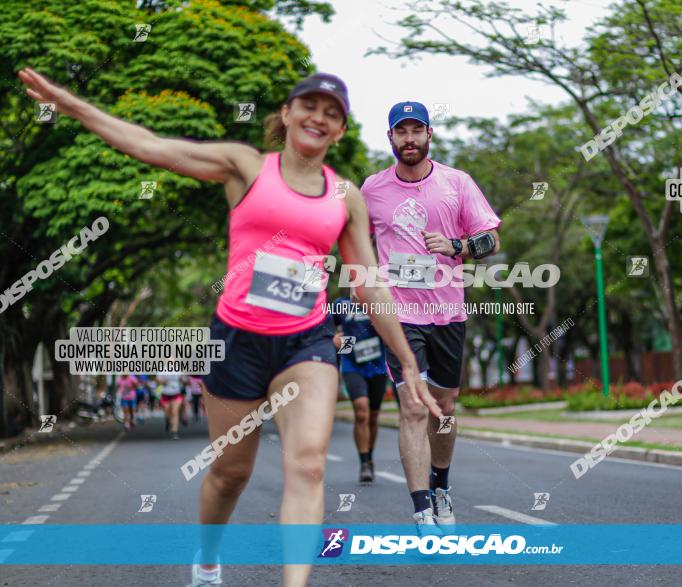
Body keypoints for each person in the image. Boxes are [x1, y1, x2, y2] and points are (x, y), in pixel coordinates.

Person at [17, 68, 440, 587]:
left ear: (340, 131)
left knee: (307, 466)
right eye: (309, 106)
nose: (319, 117)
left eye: (333, 113)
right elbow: (151, 146)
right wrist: (71, 103)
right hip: (236, 340)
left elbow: (369, 285)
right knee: (229, 473)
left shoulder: (345, 197)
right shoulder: (245, 166)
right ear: (286, 115)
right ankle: (209, 557)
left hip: (306, 342)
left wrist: (408, 362)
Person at [361, 101, 501, 533]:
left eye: (416, 131)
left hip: (447, 311)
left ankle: (441, 486)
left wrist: (457, 247)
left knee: (444, 407)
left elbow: (491, 238)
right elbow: (353, 240)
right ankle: (421, 507)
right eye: (400, 132)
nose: (409, 139)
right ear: (389, 138)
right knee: (413, 406)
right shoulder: (371, 189)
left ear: (429, 135)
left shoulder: (457, 183)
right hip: (398, 313)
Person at [331, 288, 389, 484]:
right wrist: (336, 340)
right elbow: (326, 329)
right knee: (362, 411)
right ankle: (364, 462)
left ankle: (370, 456)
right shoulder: (340, 306)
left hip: (378, 367)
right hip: (352, 366)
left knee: (373, 417)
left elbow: (392, 330)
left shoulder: (380, 305)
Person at [158, 371, 184, 440]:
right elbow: (157, 382)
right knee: (167, 413)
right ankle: (167, 421)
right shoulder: (162, 371)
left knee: (175, 412)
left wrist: (183, 378)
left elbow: (183, 380)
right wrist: (164, 382)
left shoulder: (178, 370)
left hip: (176, 395)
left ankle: (174, 432)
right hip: (165, 395)